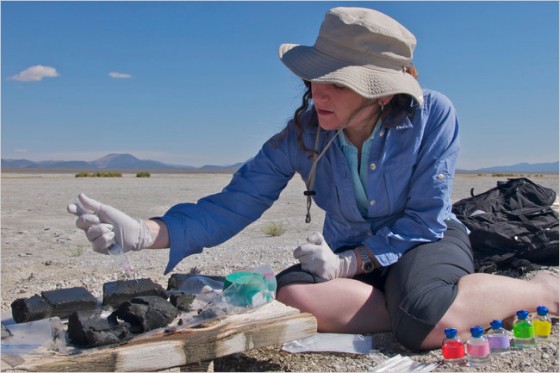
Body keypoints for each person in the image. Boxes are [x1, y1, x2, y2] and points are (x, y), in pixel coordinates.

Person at [69, 7, 558, 351]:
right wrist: (145, 233)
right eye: (313, 80)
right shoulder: (303, 135)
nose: (317, 93)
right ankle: (423, 299)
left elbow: (426, 217)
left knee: (426, 323)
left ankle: (540, 289)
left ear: (382, 92)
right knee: (292, 293)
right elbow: (233, 203)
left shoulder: (434, 116)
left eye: (335, 82)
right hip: (344, 256)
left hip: (423, 241)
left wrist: (352, 266)